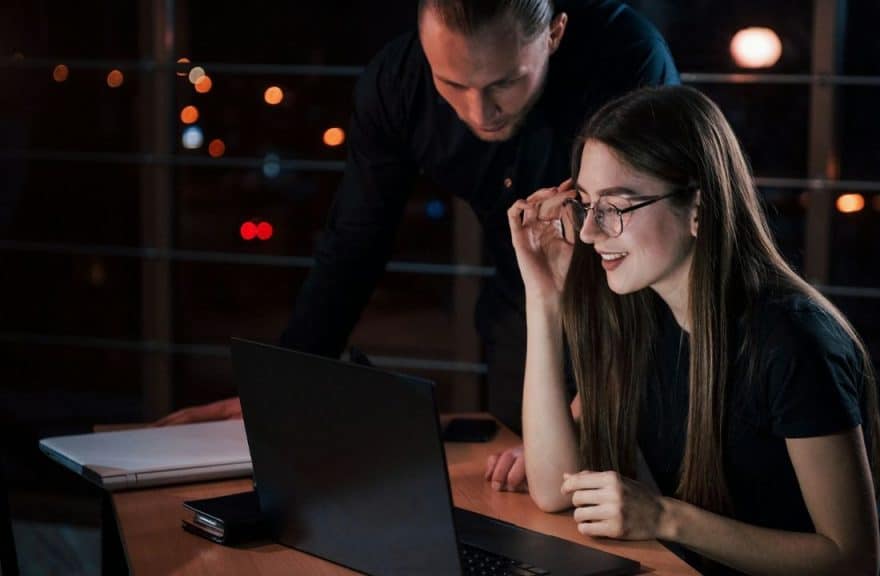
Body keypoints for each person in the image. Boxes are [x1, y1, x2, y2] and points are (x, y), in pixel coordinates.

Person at [155, 0, 678, 436]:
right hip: (521, 308)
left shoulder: (626, 58)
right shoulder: (398, 85)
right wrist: (285, 386)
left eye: (504, 83)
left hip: (644, 309)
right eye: (452, 84)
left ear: (555, 34)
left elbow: (661, 241)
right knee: (519, 502)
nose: (479, 113)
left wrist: (585, 415)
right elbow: (354, 241)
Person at [506, 85, 880, 575]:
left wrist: (665, 517)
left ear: (698, 208)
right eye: (586, 204)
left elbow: (854, 561)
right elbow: (553, 489)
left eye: (616, 207)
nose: (588, 232)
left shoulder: (793, 342)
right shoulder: (641, 313)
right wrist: (543, 298)